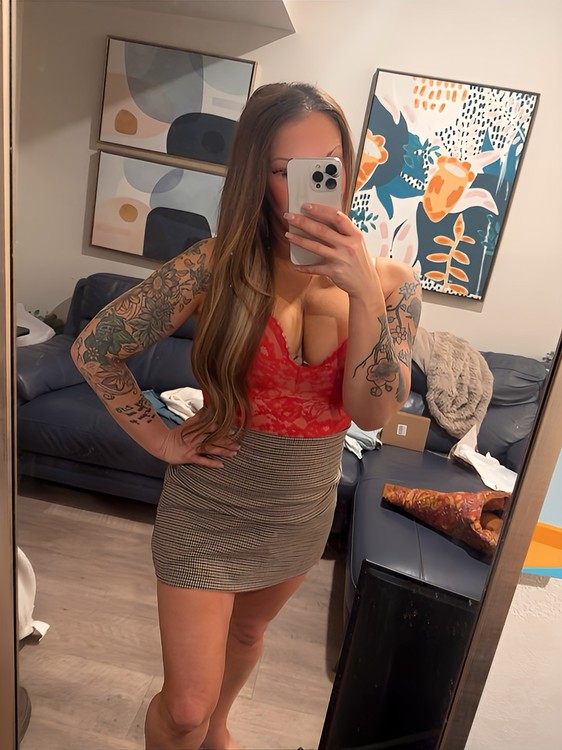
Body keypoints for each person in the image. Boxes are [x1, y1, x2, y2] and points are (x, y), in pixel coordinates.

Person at [71, 81, 422, 750]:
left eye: (327, 164)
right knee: (184, 708)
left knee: (248, 633)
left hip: (301, 508)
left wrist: (361, 292)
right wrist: (160, 441)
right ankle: (200, 725)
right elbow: (94, 349)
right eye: (286, 170)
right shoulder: (215, 267)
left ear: (348, 164)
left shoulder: (393, 286)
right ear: (257, 178)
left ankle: (221, 728)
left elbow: (372, 412)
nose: (311, 185)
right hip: (209, 504)